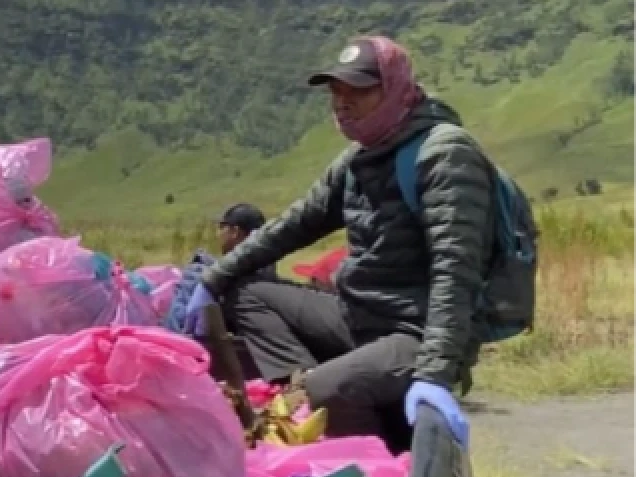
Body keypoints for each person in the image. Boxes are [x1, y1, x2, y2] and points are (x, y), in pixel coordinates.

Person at [185, 36, 485, 447]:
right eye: (336, 91)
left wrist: (435, 372)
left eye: (358, 90)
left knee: (323, 392)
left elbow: (457, 271)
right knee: (247, 293)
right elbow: (294, 224)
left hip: (414, 331)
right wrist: (213, 280)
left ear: (395, 88)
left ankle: (319, 407)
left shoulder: (444, 154)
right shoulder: (358, 160)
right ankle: (299, 394)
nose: (342, 102)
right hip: (359, 316)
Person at [217, 203, 278, 280]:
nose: (218, 234)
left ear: (235, 232)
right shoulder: (265, 264)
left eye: (221, 227)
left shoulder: (236, 273)